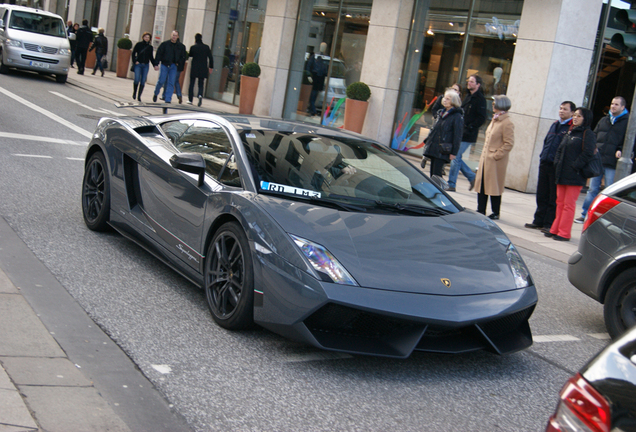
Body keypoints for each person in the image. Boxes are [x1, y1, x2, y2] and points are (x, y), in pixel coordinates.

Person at [575, 96, 628, 223]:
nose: (613, 106)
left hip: (612, 163)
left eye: (616, 104)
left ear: (622, 107)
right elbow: (594, 134)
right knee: (592, 189)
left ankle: (605, 218)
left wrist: (621, 149)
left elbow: (629, 140)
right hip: (598, 161)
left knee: (610, 191)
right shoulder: (604, 120)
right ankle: (585, 214)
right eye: (612, 103)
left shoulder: (627, 122)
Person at [525, 101, 575, 233]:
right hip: (545, 162)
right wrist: (542, 156)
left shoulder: (570, 128)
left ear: (572, 113)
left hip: (556, 165)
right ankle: (538, 220)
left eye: (565, 109)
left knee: (553, 196)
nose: (561, 111)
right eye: (560, 108)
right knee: (542, 194)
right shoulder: (555, 124)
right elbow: (547, 141)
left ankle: (548, 223)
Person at [548, 108, 596, 241]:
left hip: (575, 175)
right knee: (560, 203)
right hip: (562, 173)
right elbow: (560, 149)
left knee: (568, 205)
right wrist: (557, 163)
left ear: (585, 118)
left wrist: (575, 166)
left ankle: (564, 233)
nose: (575, 118)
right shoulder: (570, 132)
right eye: (574, 115)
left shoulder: (588, 134)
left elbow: (587, 153)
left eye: (579, 116)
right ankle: (555, 229)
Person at [474, 95, 514, 220]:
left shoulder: (507, 122)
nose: (492, 105)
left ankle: (495, 212)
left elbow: (509, 143)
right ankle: (481, 209)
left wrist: (496, 155)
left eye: (494, 103)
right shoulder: (495, 119)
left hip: (495, 160)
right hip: (486, 158)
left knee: (494, 186)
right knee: (482, 185)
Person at [447, 74, 487, 192]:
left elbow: (481, 118)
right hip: (461, 132)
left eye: (472, 82)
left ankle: (451, 184)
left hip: (468, 134)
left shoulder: (480, 99)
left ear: (478, 85)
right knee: (456, 157)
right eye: (468, 81)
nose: (469, 83)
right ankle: (472, 177)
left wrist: (470, 127)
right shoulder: (467, 96)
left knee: (455, 157)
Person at [422, 89, 464, 178]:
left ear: (453, 101)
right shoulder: (441, 113)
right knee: (432, 175)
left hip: (443, 149)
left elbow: (457, 135)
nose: (445, 100)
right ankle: (435, 190)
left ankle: (439, 191)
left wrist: (454, 152)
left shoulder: (457, 116)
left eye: (448, 99)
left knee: (437, 175)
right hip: (434, 147)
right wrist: (427, 141)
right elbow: (435, 129)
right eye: (444, 98)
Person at [152, 30, 187, 104]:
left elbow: (182, 57)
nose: (174, 37)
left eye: (176, 35)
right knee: (161, 81)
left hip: (173, 66)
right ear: (171, 35)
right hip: (164, 65)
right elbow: (159, 54)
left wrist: (180, 66)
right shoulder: (164, 44)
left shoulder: (181, 47)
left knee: (171, 83)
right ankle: (156, 93)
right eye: (173, 35)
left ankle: (168, 99)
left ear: (178, 37)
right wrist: (156, 64)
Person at [188, 33, 213, 106]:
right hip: (203, 68)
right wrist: (211, 67)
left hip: (194, 67)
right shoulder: (206, 47)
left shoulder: (193, 47)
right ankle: (200, 95)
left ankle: (190, 99)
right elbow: (211, 57)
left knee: (192, 83)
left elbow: (190, 55)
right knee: (201, 83)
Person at [306, 42, 329, 116]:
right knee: (313, 94)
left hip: (321, 78)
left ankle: (311, 109)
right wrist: (309, 75)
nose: (323, 48)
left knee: (315, 95)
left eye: (324, 47)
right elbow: (309, 65)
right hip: (315, 77)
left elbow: (326, 69)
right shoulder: (315, 55)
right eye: (322, 46)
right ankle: (313, 110)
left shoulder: (326, 57)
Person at [132, 32, 154, 101]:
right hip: (138, 64)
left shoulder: (150, 47)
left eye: (148, 37)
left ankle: (139, 96)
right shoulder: (139, 44)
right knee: (136, 79)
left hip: (146, 65)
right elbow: (133, 53)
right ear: (143, 37)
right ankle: (134, 92)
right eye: (145, 37)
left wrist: (155, 64)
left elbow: (151, 57)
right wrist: (135, 61)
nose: (147, 38)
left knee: (143, 80)